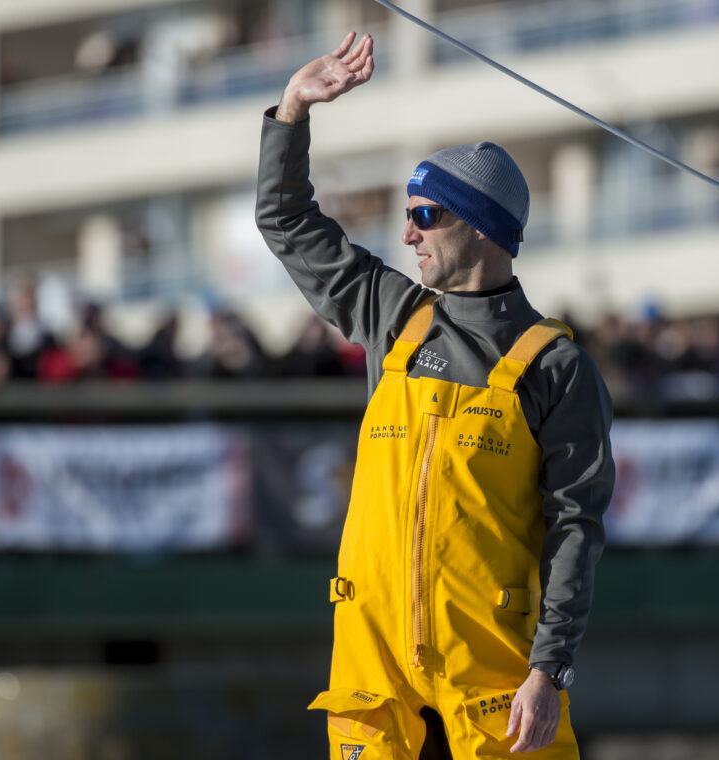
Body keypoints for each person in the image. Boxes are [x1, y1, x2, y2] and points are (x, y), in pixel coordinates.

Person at [255, 33, 615, 759]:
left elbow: (576, 528)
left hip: (494, 683)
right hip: (374, 672)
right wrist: (292, 111)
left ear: (480, 227)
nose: (407, 233)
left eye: (426, 215)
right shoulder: (392, 315)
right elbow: (286, 221)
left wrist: (549, 670)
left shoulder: (557, 366)